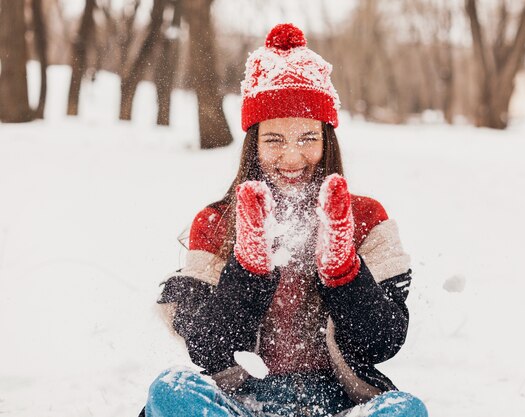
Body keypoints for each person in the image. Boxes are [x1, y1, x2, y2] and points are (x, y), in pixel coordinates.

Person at [142, 23, 427, 417]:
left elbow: (384, 341)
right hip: (239, 400)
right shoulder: (216, 222)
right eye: (274, 140)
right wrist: (249, 268)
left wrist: (344, 271)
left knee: (405, 409)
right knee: (171, 390)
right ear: (253, 146)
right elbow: (208, 348)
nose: (291, 159)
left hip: (338, 403)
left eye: (307, 138)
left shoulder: (365, 217)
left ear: (327, 140)